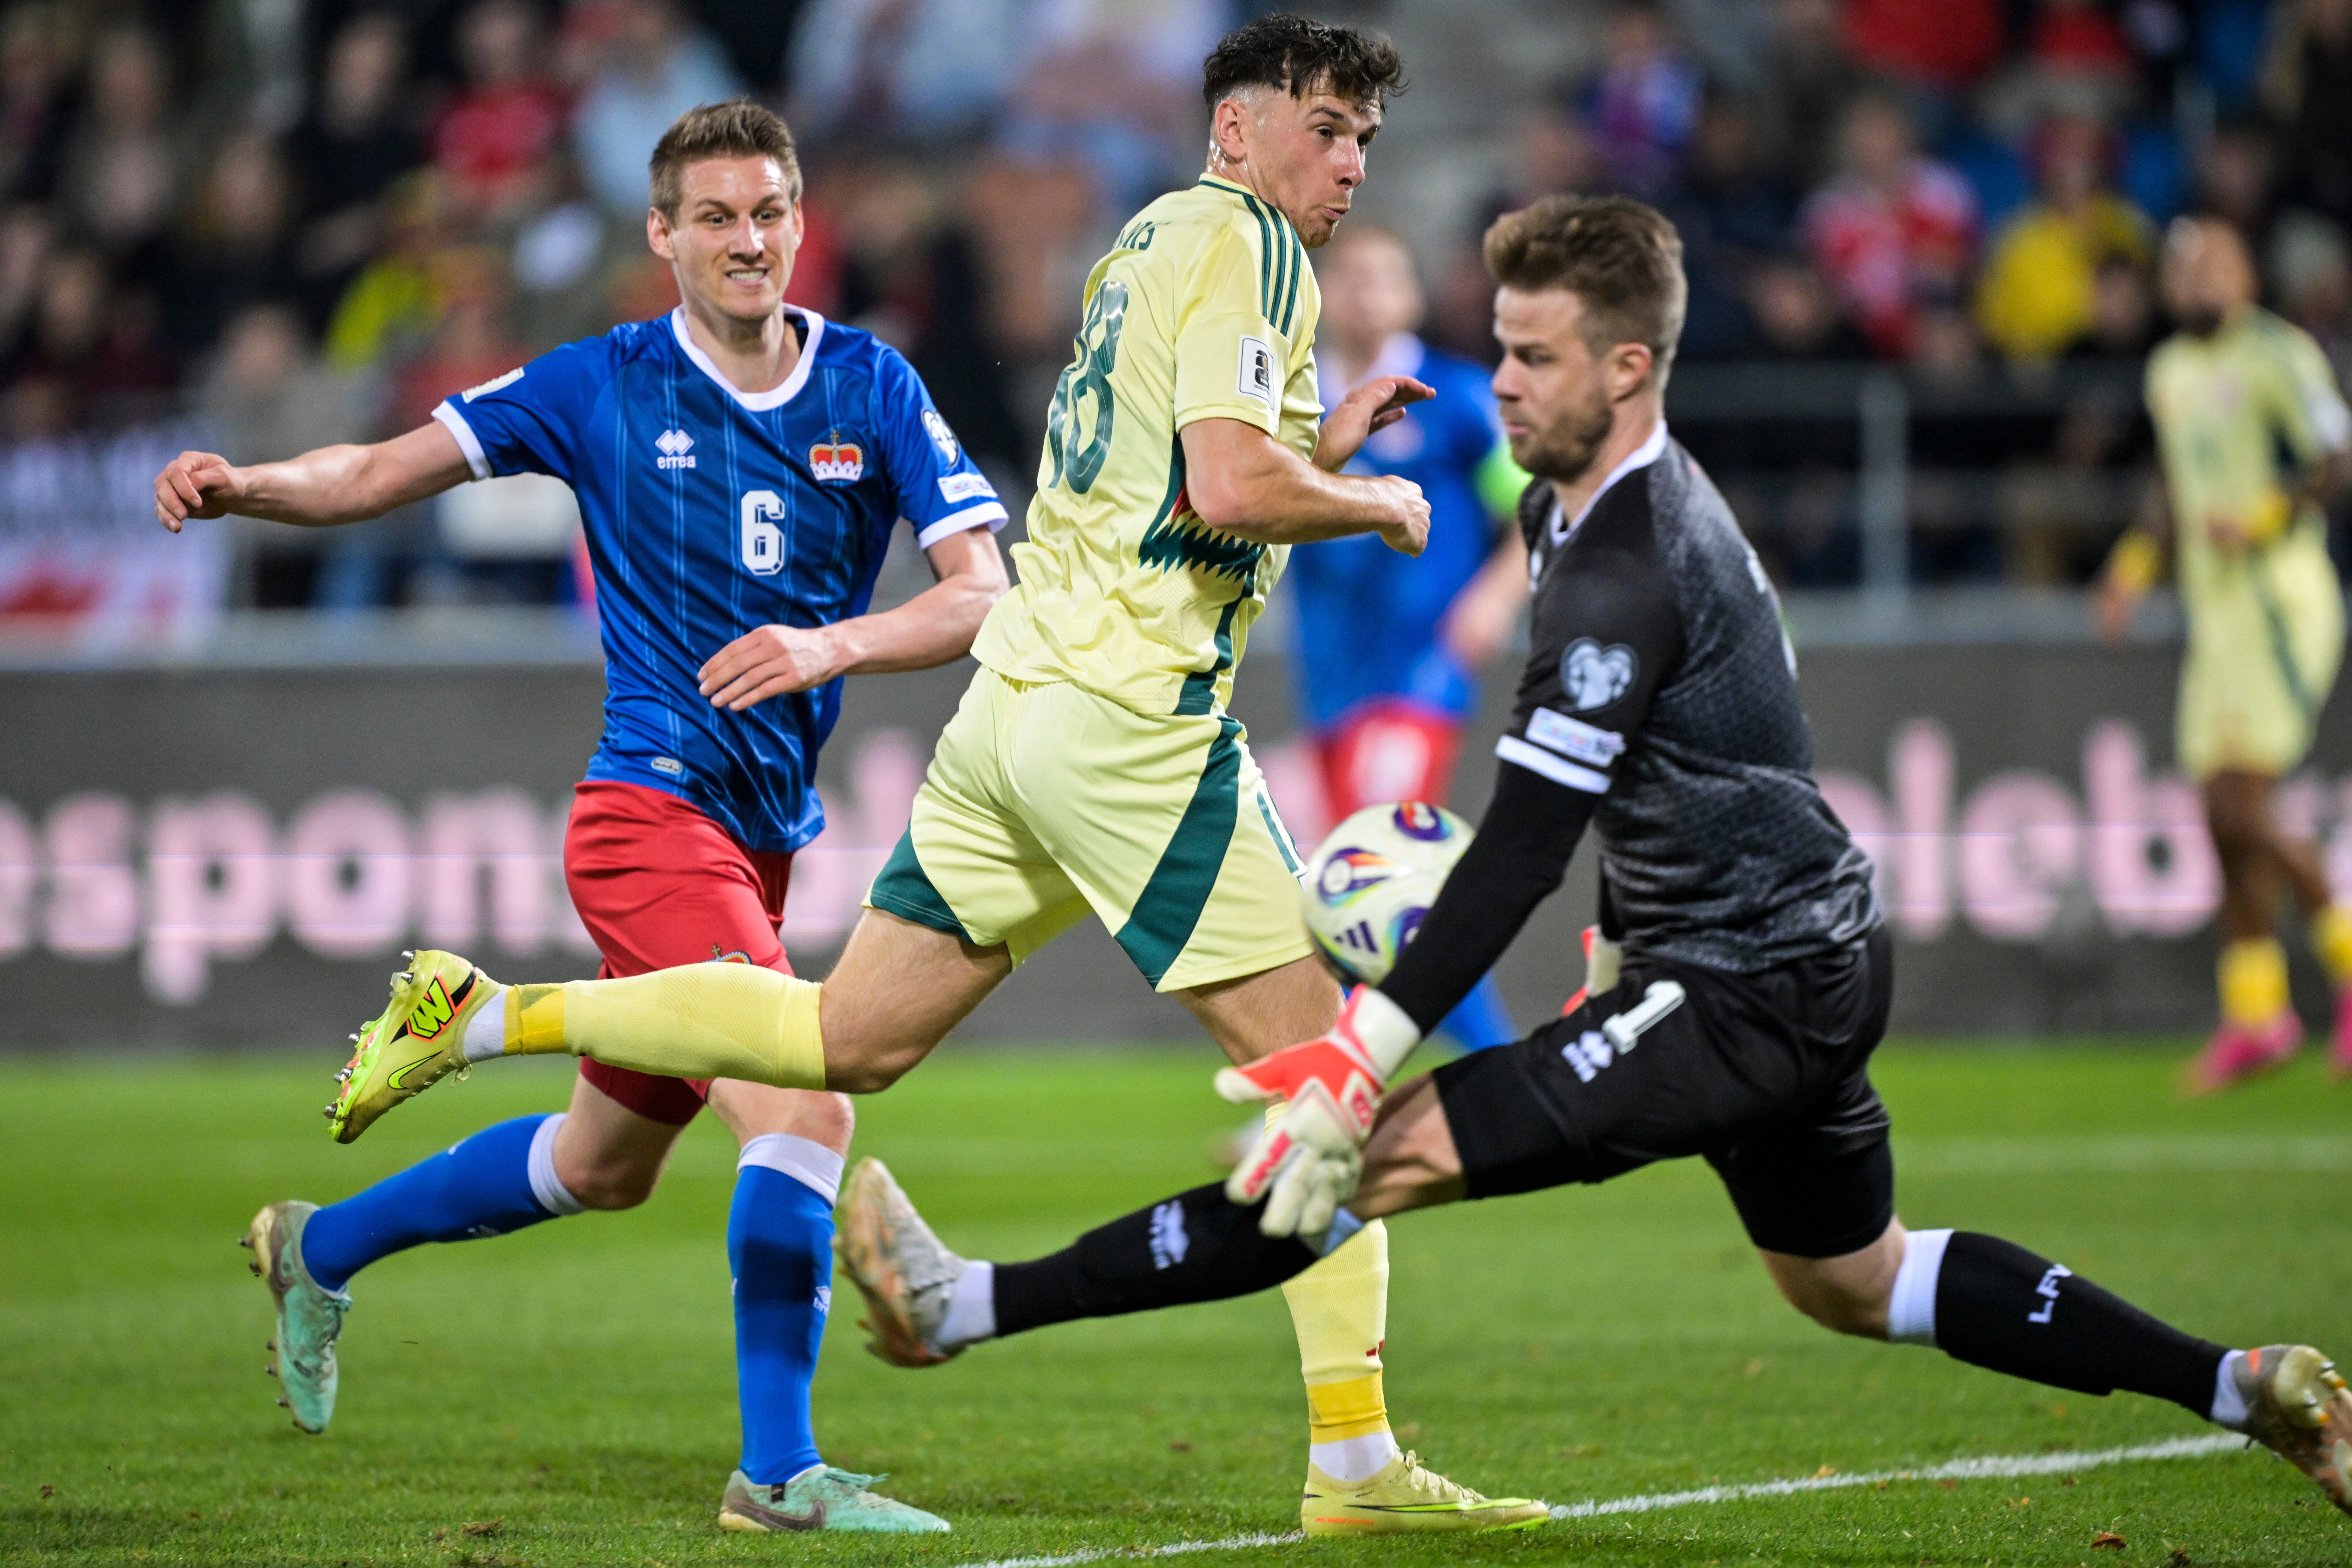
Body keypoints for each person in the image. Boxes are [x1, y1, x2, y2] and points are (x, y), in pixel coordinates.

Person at [826, 194, 2352, 1527]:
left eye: (1536, 356)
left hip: (1748, 981)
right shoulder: (1593, 512)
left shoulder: (1626, 568)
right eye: (1499, 346)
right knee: (1853, 1275)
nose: (1501, 382)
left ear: (1629, 368)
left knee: (1350, 1157)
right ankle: (2245, 1383)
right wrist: (1629, 940)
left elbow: (1515, 859)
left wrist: (1357, 1059)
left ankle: (962, 1307)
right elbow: (1702, 768)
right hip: (1792, 949)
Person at [316, 16, 1549, 1538]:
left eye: (1365, 134)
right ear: (1236, 130)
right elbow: (1229, 486)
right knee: (1329, 1080)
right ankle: (1353, 1466)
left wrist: (1318, 434)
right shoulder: (1255, 249)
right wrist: (1365, 498)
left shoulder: (1151, 240)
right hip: (1132, 727)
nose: (1351, 160)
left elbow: (1172, 480)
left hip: (1014, 704)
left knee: (841, 1041)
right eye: (1326, 126)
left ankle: (489, 1012)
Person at [153, 100, 1010, 1535]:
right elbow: (374, 470)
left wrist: (831, 645)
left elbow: (981, 588)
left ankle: (320, 1245)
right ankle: (779, 1474)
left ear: (803, 222)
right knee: (803, 1099)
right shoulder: (598, 383)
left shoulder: (871, 383)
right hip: (647, 813)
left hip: (763, 830)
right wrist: (249, 486)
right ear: (662, 236)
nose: (752, 241)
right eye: (719, 217)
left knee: (599, 1167)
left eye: (772, 212)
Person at [2096, 215, 2352, 1090]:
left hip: (2280, 603)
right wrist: (2135, 565)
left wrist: (2270, 514)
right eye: (2183, 268)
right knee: (2217, 817)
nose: (2197, 280)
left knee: (2242, 805)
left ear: (2245, 275)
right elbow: (2174, 482)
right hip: (2214, 617)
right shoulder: (2170, 371)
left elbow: (2338, 459)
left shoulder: (2279, 356)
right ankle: (2258, 1015)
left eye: (2214, 264)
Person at [1287, 221, 1526, 1049]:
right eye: (1346, 276)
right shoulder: (1291, 403)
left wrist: (1496, 596)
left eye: (1382, 276)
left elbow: (1538, 508)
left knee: (1373, 880)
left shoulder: (1457, 399)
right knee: (1378, 892)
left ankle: (1337, 1086)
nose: (1363, 292)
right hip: (1328, 679)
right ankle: (1482, 1071)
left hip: (1420, 673)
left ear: (1412, 297)